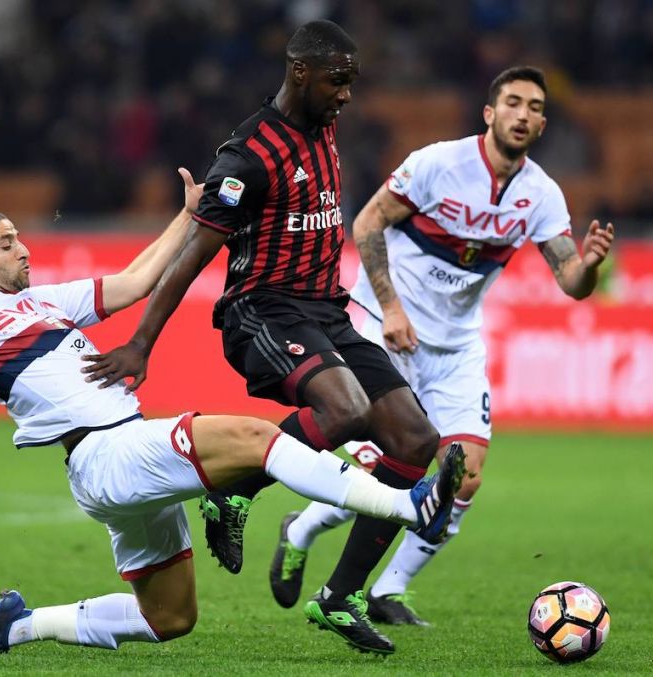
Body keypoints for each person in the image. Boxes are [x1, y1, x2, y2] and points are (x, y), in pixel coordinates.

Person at [0, 169, 453, 656]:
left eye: (21, 237)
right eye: (5, 242)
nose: (23, 247)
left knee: (171, 618)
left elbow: (134, 282)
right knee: (250, 434)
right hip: (108, 450)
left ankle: (18, 626)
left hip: (110, 464)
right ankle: (407, 505)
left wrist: (190, 213)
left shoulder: (44, 301)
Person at [82, 20, 464, 655]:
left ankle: (341, 598)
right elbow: (194, 255)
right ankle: (235, 488)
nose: (347, 94)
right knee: (345, 408)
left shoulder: (323, 124)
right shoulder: (248, 156)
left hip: (327, 313)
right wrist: (141, 343)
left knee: (415, 439)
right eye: (337, 81)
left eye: (352, 82)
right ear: (299, 73)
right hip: (261, 311)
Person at [268, 66, 617, 626]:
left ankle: (390, 589)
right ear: (490, 113)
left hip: (456, 347)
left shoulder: (541, 195)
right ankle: (302, 528)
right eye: (512, 103)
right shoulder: (438, 164)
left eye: (533, 107)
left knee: (466, 471)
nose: (522, 114)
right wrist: (392, 308)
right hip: (387, 332)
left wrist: (591, 265)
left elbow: (571, 281)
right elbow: (367, 224)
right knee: (386, 464)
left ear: (543, 123)